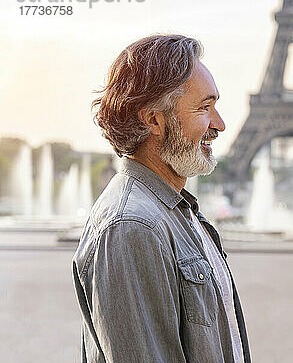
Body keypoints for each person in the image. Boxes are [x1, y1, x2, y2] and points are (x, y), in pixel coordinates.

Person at [72, 34, 251, 362]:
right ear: (153, 119)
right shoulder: (131, 226)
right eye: (204, 108)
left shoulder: (174, 211)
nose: (220, 124)